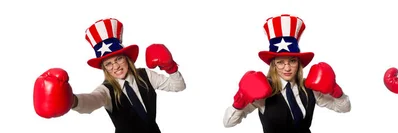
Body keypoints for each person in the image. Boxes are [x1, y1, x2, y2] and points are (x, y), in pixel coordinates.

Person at [33, 18, 186, 133]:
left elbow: (178, 86)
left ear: (127, 58)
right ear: (105, 69)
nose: (116, 66)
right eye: (109, 64)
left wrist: (171, 67)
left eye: (119, 59)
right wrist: (72, 101)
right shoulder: (106, 90)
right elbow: (93, 100)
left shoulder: (146, 75)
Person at [222, 14, 351, 133]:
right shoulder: (262, 91)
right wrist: (240, 100)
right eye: (280, 62)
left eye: (292, 61)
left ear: (299, 63)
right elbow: (228, 123)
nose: (287, 68)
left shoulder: (310, 88)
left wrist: (336, 91)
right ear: (273, 65)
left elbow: (345, 108)